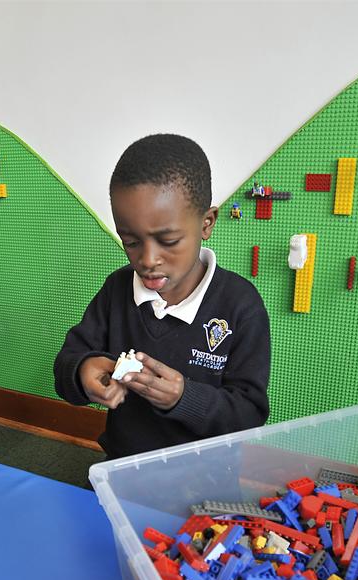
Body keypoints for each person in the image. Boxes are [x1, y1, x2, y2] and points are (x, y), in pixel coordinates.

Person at [55, 134, 270, 458]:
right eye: (130, 241)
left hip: (206, 481)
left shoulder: (241, 306)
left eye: (168, 240)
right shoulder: (117, 289)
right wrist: (83, 372)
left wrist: (184, 398)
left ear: (206, 223)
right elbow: (67, 364)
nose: (147, 259)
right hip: (123, 467)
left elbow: (249, 415)